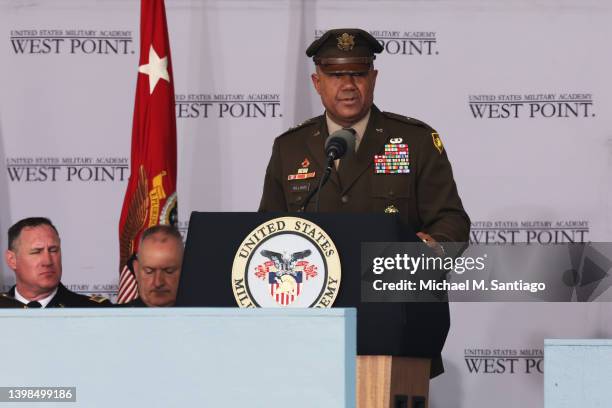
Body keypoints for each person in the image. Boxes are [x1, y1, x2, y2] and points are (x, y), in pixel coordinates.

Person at [258, 28, 470, 377]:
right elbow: (269, 228)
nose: (348, 84)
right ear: (317, 81)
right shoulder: (290, 148)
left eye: (358, 73)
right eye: (336, 74)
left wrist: (433, 249)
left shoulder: (414, 141)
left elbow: (452, 220)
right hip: (311, 329)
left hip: (397, 320)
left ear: (374, 77)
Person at [3, 217, 111, 308]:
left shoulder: (94, 310)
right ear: (12, 260)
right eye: (36, 252)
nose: (48, 261)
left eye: (53, 250)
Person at [120, 225, 183, 307]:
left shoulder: (203, 316)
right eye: (149, 271)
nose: (158, 282)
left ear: (185, 269)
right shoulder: (112, 318)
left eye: (169, 271)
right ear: (136, 270)